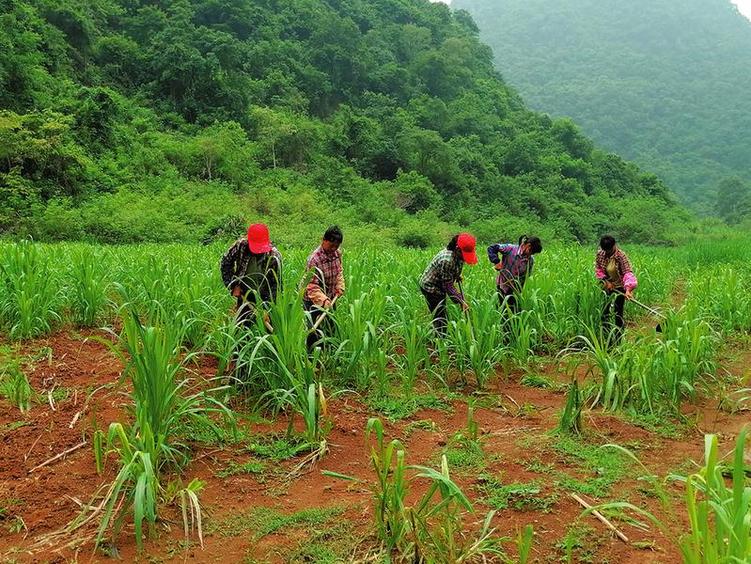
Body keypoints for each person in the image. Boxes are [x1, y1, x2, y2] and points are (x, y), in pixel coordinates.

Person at [220, 223, 282, 330]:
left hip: (265, 294)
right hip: (244, 292)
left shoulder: (274, 256)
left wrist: (268, 308)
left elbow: (275, 285)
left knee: (270, 329)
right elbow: (225, 263)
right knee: (242, 328)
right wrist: (233, 285)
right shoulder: (240, 246)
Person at [419, 233, 478, 336]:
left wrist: (456, 275)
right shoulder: (447, 260)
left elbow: (453, 269)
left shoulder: (458, 255)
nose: (465, 258)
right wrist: (461, 301)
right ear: (457, 249)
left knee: (441, 312)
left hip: (441, 283)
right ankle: (439, 342)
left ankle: (439, 336)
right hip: (431, 287)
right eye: (464, 254)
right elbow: (448, 286)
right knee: (441, 316)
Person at [304, 225, 345, 350]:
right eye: (331, 245)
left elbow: (339, 271)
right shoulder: (314, 259)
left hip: (330, 297)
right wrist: (323, 300)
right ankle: (312, 358)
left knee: (331, 326)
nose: (333, 249)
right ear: (324, 240)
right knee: (313, 330)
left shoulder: (337, 254)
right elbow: (311, 285)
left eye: (336, 246)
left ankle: (330, 354)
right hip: (313, 300)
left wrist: (340, 284)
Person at [595, 235, 637, 346]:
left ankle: (618, 341)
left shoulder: (621, 256)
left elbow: (628, 273)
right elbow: (598, 269)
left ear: (614, 245)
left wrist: (628, 289)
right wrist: (606, 281)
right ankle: (606, 337)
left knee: (618, 313)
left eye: (610, 249)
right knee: (604, 312)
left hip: (620, 287)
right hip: (607, 286)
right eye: (606, 250)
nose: (608, 252)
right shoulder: (600, 254)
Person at [487, 235, 542, 314]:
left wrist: (519, 290)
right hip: (503, 285)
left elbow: (525, 277)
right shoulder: (510, 249)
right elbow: (492, 248)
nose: (530, 255)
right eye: (530, 251)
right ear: (528, 245)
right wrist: (496, 261)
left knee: (515, 311)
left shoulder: (530, 260)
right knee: (504, 310)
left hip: (514, 289)